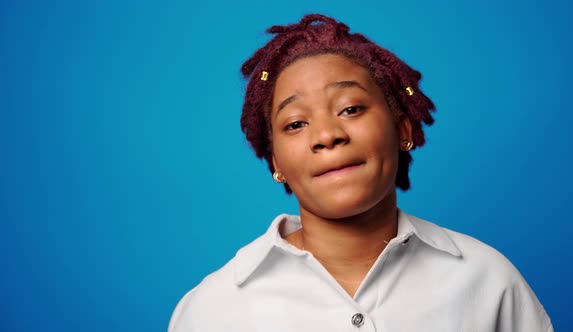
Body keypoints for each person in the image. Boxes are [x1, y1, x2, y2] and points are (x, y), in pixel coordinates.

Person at [168, 14, 553, 331]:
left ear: (402, 130)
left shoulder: (489, 280)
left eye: (350, 109)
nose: (328, 135)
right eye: (296, 124)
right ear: (276, 164)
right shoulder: (212, 310)